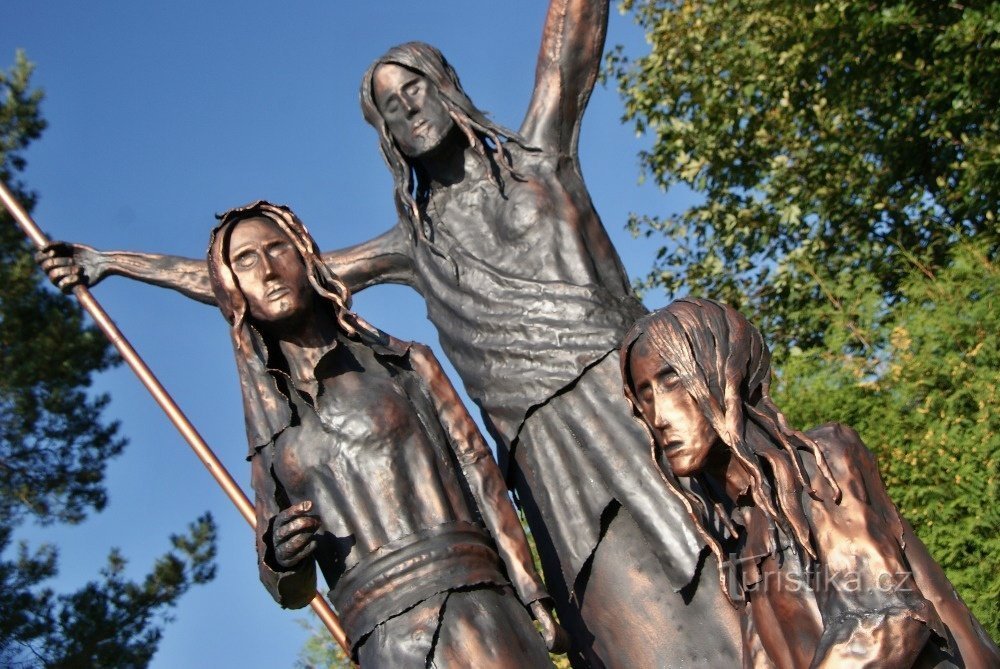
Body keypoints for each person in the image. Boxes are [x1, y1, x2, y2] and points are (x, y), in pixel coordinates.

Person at [39, 2, 742, 664]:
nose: (409, 108)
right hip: (548, 459)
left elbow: (571, 43)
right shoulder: (416, 244)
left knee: (741, 570)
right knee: (630, 634)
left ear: (447, 88)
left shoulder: (541, 157)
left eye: (415, 88)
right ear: (386, 135)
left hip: (637, 403)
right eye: (390, 107)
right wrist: (113, 262)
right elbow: (246, 281)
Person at [207, 200, 560, 667]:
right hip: (380, 640)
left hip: (473, 606)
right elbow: (288, 587)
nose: (268, 271)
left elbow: (480, 473)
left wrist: (533, 591)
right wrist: (280, 554)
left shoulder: (405, 365)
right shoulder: (270, 436)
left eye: (278, 249)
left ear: (306, 256)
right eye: (245, 261)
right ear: (230, 288)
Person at [620, 298, 1000, 668]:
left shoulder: (819, 462)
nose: (658, 415)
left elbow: (883, 625)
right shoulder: (738, 531)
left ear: (723, 374)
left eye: (671, 380)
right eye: (646, 395)